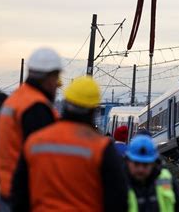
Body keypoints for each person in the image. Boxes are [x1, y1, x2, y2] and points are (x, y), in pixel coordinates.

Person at [11, 76, 129, 212]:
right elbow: (117, 199)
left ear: (66, 103)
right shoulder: (101, 147)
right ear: (93, 110)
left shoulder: (35, 140)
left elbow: (19, 192)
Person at [0, 48, 62, 209]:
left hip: (7, 188)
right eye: (56, 78)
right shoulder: (36, 108)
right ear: (48, 78)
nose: (57, 85)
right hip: (26, 195)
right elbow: (43, 160)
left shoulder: (15, 99)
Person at [125, 134, 179, 212]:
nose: (140, 169)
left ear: (153, 163)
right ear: (128, 161)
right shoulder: (119, 182)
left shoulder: (166, 179)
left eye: (145, 164)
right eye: (136, 164)